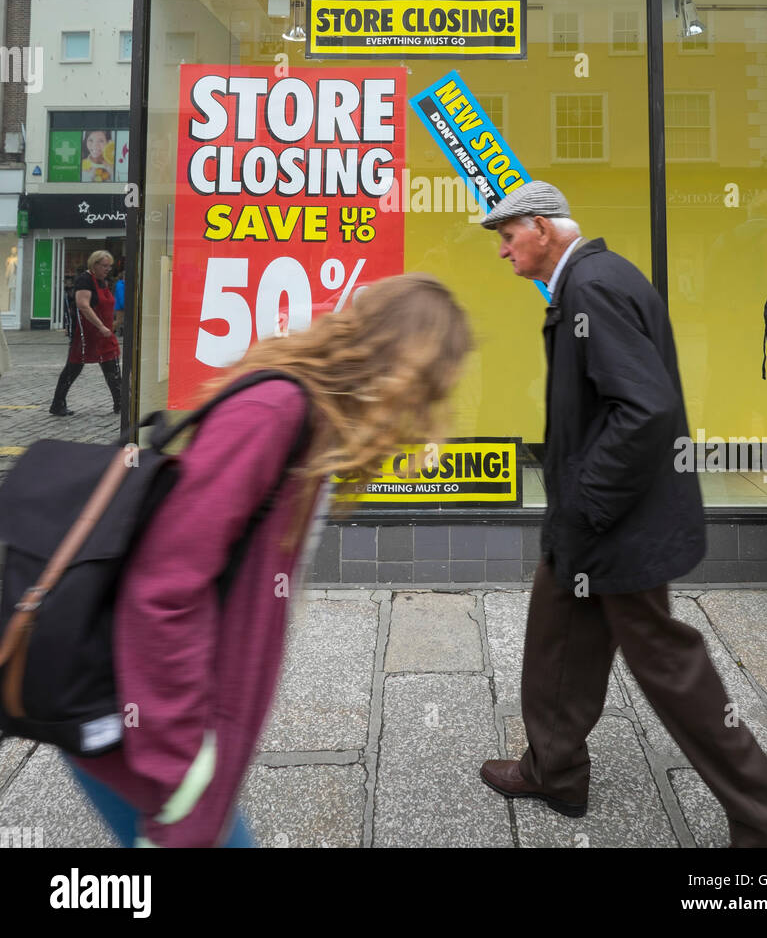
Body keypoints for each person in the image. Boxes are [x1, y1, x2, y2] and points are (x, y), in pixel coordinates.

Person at [63, 273, 472, 847]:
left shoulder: (316, 417)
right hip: (145, 737)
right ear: (405, 364)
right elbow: (163, 586)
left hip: (184, 741)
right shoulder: (275, 409)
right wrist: (182, 768)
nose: (433, 402)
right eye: (434, 382)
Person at [477, 181, 767, 849]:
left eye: (507, 234)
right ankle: (555, 768)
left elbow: (646, 409)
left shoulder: (591, 287)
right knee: (557, 630)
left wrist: (589, 502)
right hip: (592, 517)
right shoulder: (589, 279)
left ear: (543, 229)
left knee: (669, 666)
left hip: (619, 522)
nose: (502, 250)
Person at [49, 250, 121, 416]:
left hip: (103, 333)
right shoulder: (85, 279)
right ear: (94, 265)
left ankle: (120, 403)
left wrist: (112, 323)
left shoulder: (103, 281)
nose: (107, 269)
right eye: (104, 266)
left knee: (112, 365)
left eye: (109, 266)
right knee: (73, 368)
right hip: (86, 333)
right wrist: (101, 326)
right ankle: (57, 404)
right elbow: (83, 305)